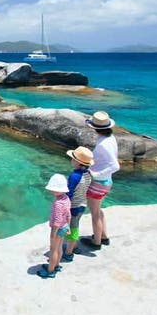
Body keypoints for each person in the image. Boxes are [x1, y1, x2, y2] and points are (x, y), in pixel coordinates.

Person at [81, 111, 120, 250]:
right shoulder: (111, 138)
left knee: (95, 213)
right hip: (106, 182)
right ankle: (103, 236)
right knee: (98, 210)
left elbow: (115, 165)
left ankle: (96, 242)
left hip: (99, 182)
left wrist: (96, 174)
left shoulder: (103, 143)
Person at [62, 146, 93, 261]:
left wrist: (64, 208)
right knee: (75, 225)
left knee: (73, 229)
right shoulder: (88, 174)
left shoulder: (74, 176)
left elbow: (69, 193)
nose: (71, 160)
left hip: (73, 206)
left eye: (72, 159)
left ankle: (69, 252)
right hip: (82, 205)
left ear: (78, 162)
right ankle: (74, 246)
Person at [38, 174, 71, 279]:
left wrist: (53, 234)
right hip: (65, 227)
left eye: (53, 190)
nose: (51, 192)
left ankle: (50, 271)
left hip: (58, 229)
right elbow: (68, 215)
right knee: (59, 247)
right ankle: (56, 265)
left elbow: (57, 221)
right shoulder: (66, 199)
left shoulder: (58, 203)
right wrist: (69, 227)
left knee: (53, 250)